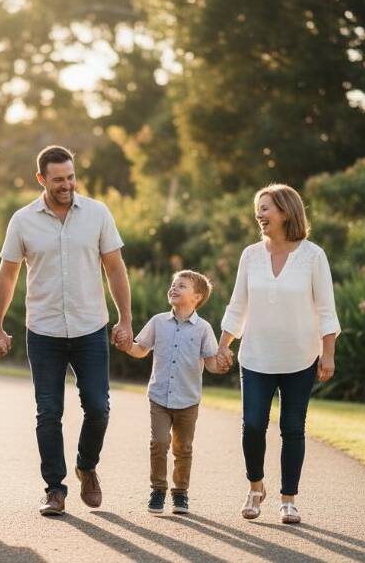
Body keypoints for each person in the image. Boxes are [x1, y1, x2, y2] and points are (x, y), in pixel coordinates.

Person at [0, 145, 133, 516]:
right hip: (44, 331)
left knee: (98, 407)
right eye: (58, 180)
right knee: (48, 412)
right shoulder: (22, 220)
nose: (66, 185)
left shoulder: (98, 213)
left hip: (90, 328)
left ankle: (87, 465)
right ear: (41, 180)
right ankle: (55, 488)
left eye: (70, 177)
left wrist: (125, 319)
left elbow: (115, 269)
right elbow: (7, 274)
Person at [219, 183, 340, 525]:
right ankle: (256, 487)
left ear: (286, 211)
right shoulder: (250, 255)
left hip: (300, 358)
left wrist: (327, 353)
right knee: (253, 425)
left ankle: (288, 499)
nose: (259, 214)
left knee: (292, 428)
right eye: (258, 208)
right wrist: (222, 345)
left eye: (266, 208)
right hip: (256, 356)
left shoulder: (313, 255)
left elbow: (326, 308)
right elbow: (238, 304)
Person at [122, 270, 229, 515]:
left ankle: (180, 493)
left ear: (197, 297)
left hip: (188, 400)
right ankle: (158, 489)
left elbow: (211, 363)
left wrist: (220, 364)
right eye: (173, 284)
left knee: (184, 448)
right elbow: (141, 350)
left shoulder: (203, 328)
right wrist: (127, 345)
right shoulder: (158, 322)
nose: (174, 288)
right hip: (159, 397)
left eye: (181, 285)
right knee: (159, 443)